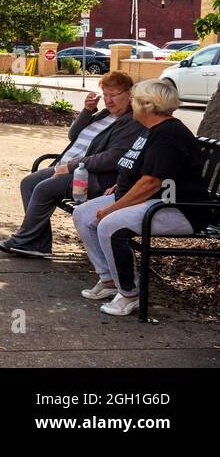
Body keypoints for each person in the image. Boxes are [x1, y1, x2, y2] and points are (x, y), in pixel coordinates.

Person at [72, 78, 212, 316]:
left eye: (135, 100)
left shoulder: (169, 135)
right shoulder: (150, 129)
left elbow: (151, 183)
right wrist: (119, 184)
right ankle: (108, 280)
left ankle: (129, 294)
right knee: (82, 213)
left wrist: (111, 210)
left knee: (110, 225)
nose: (132, 104)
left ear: (148, 105)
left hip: (177, 207)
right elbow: (138, 167)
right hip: (150, 200)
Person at [0, 71, 142, 257]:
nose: (108, 100)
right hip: (70, 168)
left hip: (95, 178)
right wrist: (87, 111)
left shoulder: (130, 121)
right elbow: (74, 136)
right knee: (29, 182)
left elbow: (112, 158)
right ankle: (37, 243)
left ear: (129, 94)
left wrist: (71, 166)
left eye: (113, 95)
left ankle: (26, 241)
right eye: (105, 94)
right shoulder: (105, 114)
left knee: (44, 188)